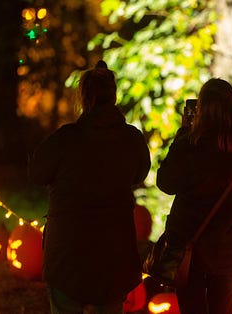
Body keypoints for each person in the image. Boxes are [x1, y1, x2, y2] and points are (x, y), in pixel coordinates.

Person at [28, 60, 151, 314]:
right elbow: (140, 173)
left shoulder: (65, 139)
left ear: (84, 97)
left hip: (68, 254)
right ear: (113, 95)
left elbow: (37, 172)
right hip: (114, 254)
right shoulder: (131, 140)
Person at [156, 78, 232, 313]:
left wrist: (183, 135)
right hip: (227, 250)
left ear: (202, 109)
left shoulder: (192, 144)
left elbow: (165, 182)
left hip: (190, 250)